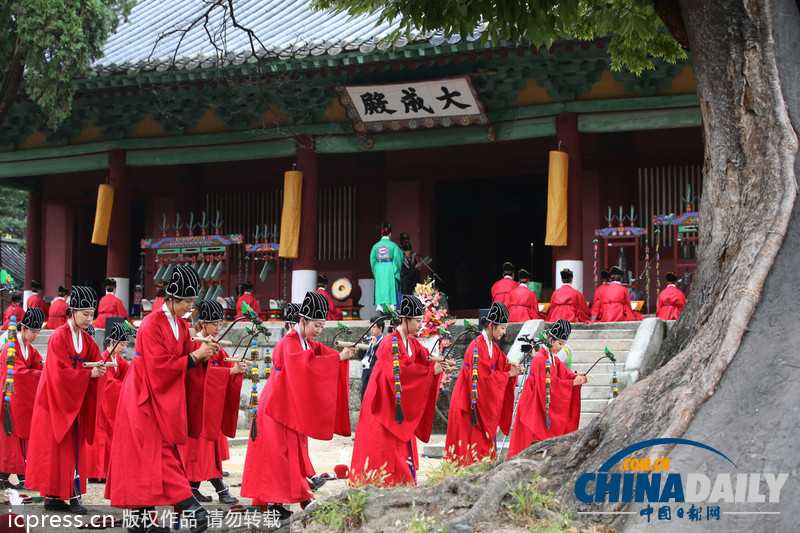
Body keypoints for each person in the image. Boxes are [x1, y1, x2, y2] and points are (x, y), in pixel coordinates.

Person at [105, 265, 220, 533]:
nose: (190, 307)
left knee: (148, 457)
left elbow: (183, 348)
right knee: (158, 454)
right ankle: (193, 509)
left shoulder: (179, 324)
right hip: (143, 395)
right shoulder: (150, 324)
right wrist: (195, 356)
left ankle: (140, 522)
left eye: (193, 302)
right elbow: (159, 367)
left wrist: (202, 348)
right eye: (187, 302)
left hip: (158, 394)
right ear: (171, 298)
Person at [241, 292, 353, 520]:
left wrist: (342, 356)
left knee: (280, 454)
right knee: (279, 454)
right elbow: (305, 368)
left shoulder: (305, 343)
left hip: (286, 405)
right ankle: (304, 499)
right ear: (302, 320)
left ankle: (271, 504)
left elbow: (322, 354)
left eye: (322, 326)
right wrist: (337, 359)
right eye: (316, 325)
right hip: (276, 406)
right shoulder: (287, 343)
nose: (319, 331)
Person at [25, 286, 104, 514]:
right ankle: (54, 496)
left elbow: (94, 360)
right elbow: (59, 373)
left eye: (92, 314)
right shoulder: (58, 337)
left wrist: (99, 368)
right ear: (72, 312)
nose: (89, 319)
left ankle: (72, 495)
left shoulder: (87, 340)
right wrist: (87, 374)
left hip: (74, 400)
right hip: (54, 400)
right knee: (55, 449)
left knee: (72, 448)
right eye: (85, 314)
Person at [350, 295, 444, 486]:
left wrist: (437, 364)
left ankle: (403, 480)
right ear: (404, 319)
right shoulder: (389, 343)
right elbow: (398, 373)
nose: (420, 325)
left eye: (421, 321)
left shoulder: (413, 344)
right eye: (417, 321)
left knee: (401, 447)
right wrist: (429, 372)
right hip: (384, 400)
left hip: (397, 403)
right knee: (382, 446)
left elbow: (425, 359)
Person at [179, 300, 245, 505]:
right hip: (197, 402)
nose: (218, 328)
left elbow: (222, 362)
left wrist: (235, 365)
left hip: (211, 401)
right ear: (202, 323)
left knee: (205, 448)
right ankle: (221, 489)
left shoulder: (212, 342)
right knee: (201, 448)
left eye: (220, 324)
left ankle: (192, 488)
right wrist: (229, 371)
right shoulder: (194, 342)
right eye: (214, 324)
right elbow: (201, 373)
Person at [445, 302, 521, 466]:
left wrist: (513, 369)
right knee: (470, 448)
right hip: (469, 402)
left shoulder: (492, 346)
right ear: (492, 325)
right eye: (502, 328)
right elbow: (483, 380)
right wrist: (508, 374)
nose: (504, 332)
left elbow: (503, 363)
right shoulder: (477, 347)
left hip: (480, 401)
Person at [508, 319, 586, 458]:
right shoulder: (541, 359)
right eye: (560, 344)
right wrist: (573, 383)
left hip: (538, 403)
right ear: (551, 340)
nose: (561, 347)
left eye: (563, 344)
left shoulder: (552, 358)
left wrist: (576, 377)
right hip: (533, 404)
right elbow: (550, 385)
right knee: (528, 442)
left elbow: (566, 374)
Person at [0, 308, 45, 490]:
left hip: (21, 396)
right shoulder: (11, 347)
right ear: (23, 328)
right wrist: (42, 375)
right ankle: (4, 474)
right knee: (8, 435)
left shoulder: (31, 350)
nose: (35, 335)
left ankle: (22, 474)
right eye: (33, 331)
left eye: (38, 332)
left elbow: (39, 365)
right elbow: (18, 374)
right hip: (10, 394)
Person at [85, 322, 131, 484]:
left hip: (113, 406)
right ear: (112, 342)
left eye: (125, 344)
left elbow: (129, 376)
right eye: (122, 344)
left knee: (111, 440)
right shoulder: (102, 358)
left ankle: (108, 471)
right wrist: (124, 388)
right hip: (102, 405)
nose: (124, 348)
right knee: (100, 440)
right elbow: (108, 384)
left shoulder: (119, 360)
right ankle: (96, 473)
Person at [370, 222, 402, 311]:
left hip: (379, 268)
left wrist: (376, 270)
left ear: (381, 234)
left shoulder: (375, 246)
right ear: (390, 234)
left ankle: (381, 307)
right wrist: (395, 270)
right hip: (390, 269)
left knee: (381, 288)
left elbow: (372, 260)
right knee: (390, 287)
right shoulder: (393, 246)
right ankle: (391, 308)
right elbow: (398, 259)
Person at [359, 315, 386, 400]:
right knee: (364, 398)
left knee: (375, 399)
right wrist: (362, 346)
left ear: (380, 328)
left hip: (376, 374)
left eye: (374, 327)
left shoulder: (384, 341)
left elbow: (382, 357)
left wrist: (375, 346)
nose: (371, 329)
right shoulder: (369, 340)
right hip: (366, 374)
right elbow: (360, 357)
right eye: (371, 326)